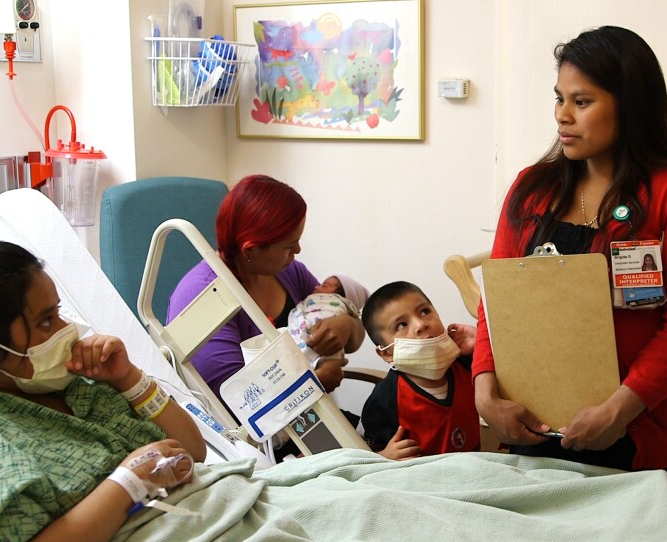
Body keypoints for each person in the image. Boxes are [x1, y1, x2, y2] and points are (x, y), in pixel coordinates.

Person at [472, 26, 667, 494]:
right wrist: (485, 389)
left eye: (582, 102)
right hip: (532, 423)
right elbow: (498, 301)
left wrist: (616, 411)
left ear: (630, 105)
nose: (562, 117)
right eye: (559, 99)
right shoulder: (535, 186)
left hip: (633, 435)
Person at [0, 239, 206, 541]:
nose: (66, 329)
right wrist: (129, 484)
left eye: (58, 312)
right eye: (46, 321)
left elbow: (195, 450)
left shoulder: (77, 384)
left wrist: (129, 379)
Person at [167, 175, 366, 400]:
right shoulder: (201, 297)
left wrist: (347, 325)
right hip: (251, 431)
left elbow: (353, 338)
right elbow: (235, 401)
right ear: (249, 250)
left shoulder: (289, 272)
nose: (298, 250)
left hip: (307, 418)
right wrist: (316, 383)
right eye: (289, 245)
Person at [360, 281, 480, 460]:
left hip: (477, 466)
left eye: (425, 311)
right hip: (423, 481)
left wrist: (481, 343)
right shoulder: (383, 401)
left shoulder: (469, 363)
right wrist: (385, 457)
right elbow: (367, 457)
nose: (420, 324)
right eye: (401, 325)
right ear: (386, 353)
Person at [287, 274, 371, 370]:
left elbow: (355, 316)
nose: (316, 287)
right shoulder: (309, 299)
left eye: (324, 286)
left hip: (325, 347)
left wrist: (348, 323)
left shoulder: (341, 302)